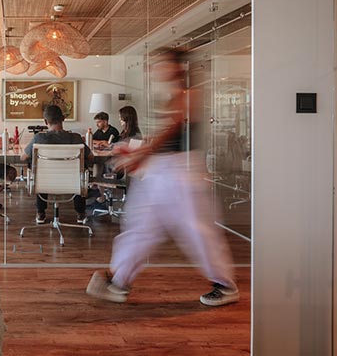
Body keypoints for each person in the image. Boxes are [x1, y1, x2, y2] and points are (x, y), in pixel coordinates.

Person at [86, 50, 238, 307]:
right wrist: (137, 152)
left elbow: (172, 130)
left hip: (181, 171)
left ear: (178, 67)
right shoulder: (172, 98)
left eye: (160, 64)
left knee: (196, 230)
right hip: (163, 170)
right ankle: (119, 281)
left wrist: (140, 153)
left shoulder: (189, 95)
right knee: (140, 225)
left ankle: (225, 284)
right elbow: (164, 137)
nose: (154, 70)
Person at [21, 105, 92, 224]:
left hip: (46, 182)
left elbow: (23, 157)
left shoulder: (39, 138)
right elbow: (91, 157)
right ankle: (80, 213)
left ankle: (41, 213)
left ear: (45, 121)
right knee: (80, 171)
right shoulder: (76, 138)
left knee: (40, 170)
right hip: (72, 182)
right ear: (63, 118)